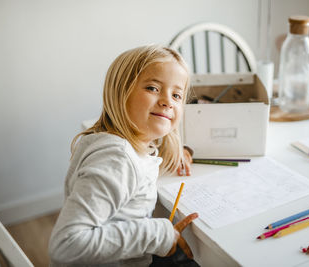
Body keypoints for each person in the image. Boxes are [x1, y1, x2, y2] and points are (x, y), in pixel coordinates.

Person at [48, 44, 198, 266]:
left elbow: (140, 165)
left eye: (177, 95)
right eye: (153, 88)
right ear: (121, 93)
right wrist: (158, 235)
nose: (167, 100)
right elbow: (66, 244)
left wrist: (179, 150)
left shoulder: (118, 142)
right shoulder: (116, 159)